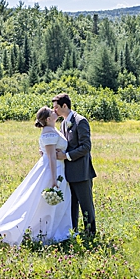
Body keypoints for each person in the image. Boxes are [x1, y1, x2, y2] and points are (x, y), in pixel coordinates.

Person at [0, 106, 73, 247]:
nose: (55, 112)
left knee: (54, 203)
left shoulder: (53, 130)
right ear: (48, 119)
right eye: (52, 112)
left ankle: (55, 230)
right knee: (43, 202)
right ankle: (42, 232)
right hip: (51, 171)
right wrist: (54, 179)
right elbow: (52, 158)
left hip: (58, 168)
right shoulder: (49, 133)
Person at [52, 93, 97, 237]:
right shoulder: (63, 123)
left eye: (56, 108)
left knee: (86, 206)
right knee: (71, 206)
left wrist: (66, 156)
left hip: (81, 172)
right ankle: (73, 232)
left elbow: (86, 147)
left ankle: (90, 234)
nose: (54, 111)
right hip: (68, 173)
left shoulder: (80, 121)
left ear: (65, 106)